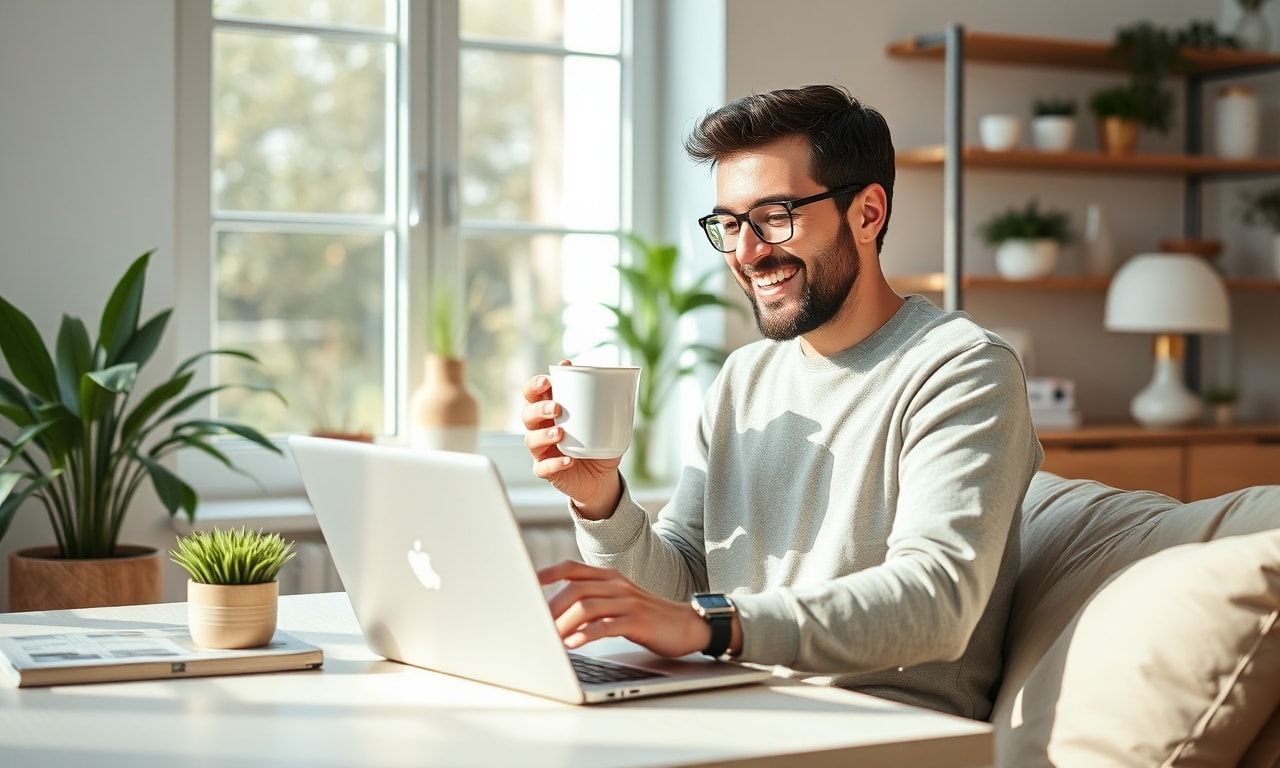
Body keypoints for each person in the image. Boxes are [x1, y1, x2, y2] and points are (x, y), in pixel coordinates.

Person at [521, 84, 1043, 720]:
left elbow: (936, 602)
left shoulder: (961, 369)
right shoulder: (744, 377)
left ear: (868, 214)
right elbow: (684, 588)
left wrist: (712, 625)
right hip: (738, 707)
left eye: (775, 217)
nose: (746, 252)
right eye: (731, 223)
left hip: (882, 728)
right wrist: (599, 497)